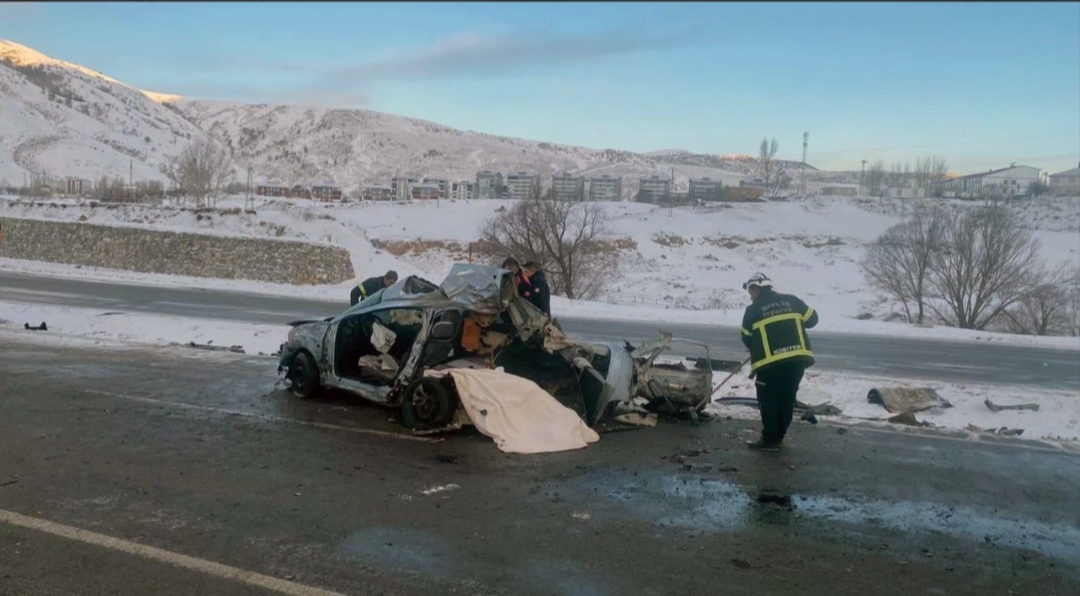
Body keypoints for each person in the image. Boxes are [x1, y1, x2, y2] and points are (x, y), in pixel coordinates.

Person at [739, 272, 819, 452]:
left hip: (769, 365)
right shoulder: (792, 300)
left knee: (768, 401)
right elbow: (813, 319)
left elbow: (746, 337)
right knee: (786, 399)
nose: (750, 296)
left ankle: (769, 441)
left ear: (756, 290)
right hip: (796, 362)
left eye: (750, 292)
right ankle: (778, 438)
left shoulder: (753, 310)